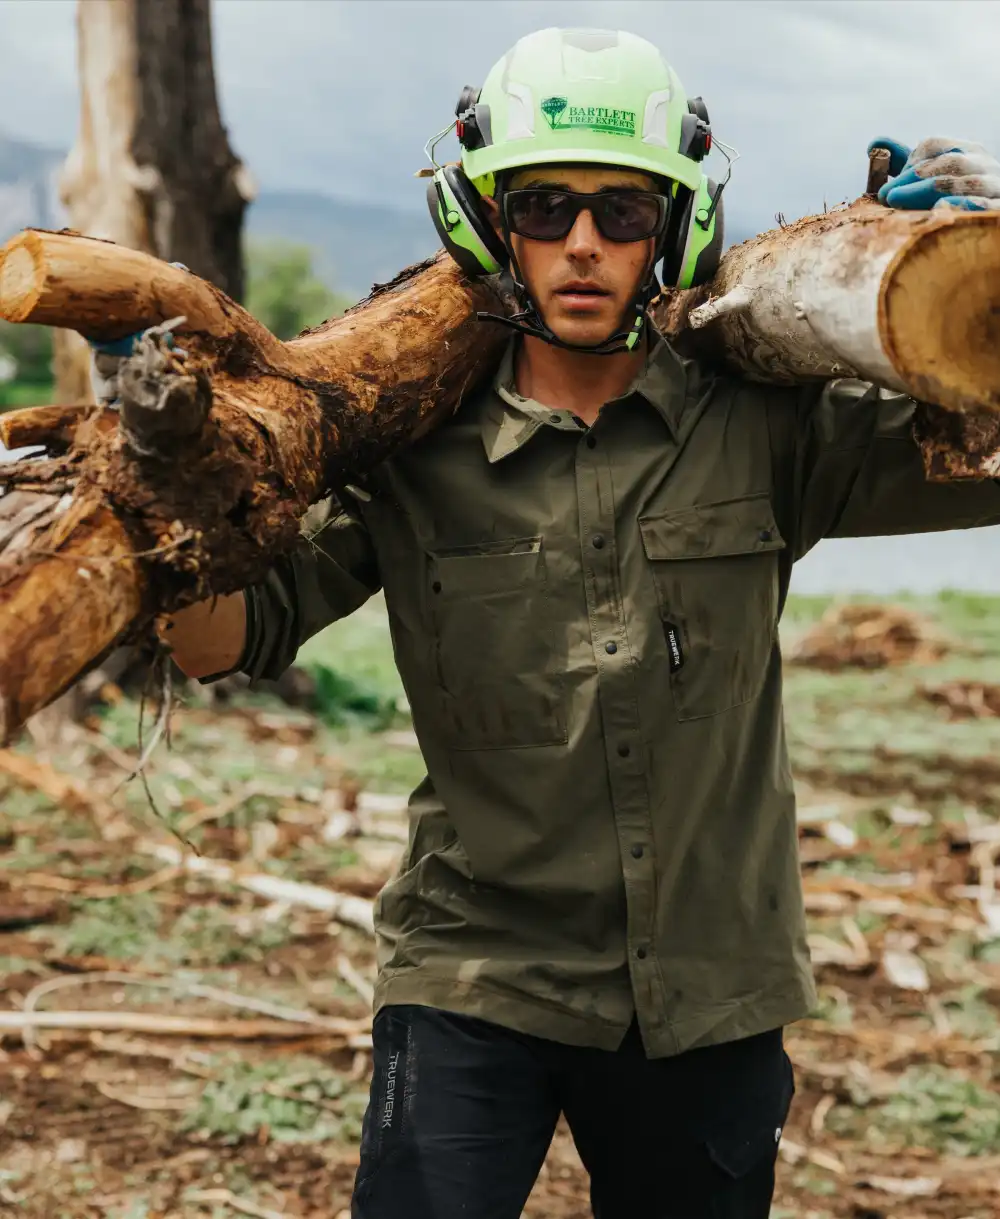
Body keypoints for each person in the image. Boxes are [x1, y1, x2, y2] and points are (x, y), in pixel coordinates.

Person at [93, 28, 1000, 1219]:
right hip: (477, 968)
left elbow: (979, 459)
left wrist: (945, 275)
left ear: (673, 224)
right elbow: (220, 642)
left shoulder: (767, 429)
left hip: (707, 983)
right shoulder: (408, 447)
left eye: (623, 212)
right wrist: (168, 464)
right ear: (484, 219)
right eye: (543, 206)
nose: (583, 244)